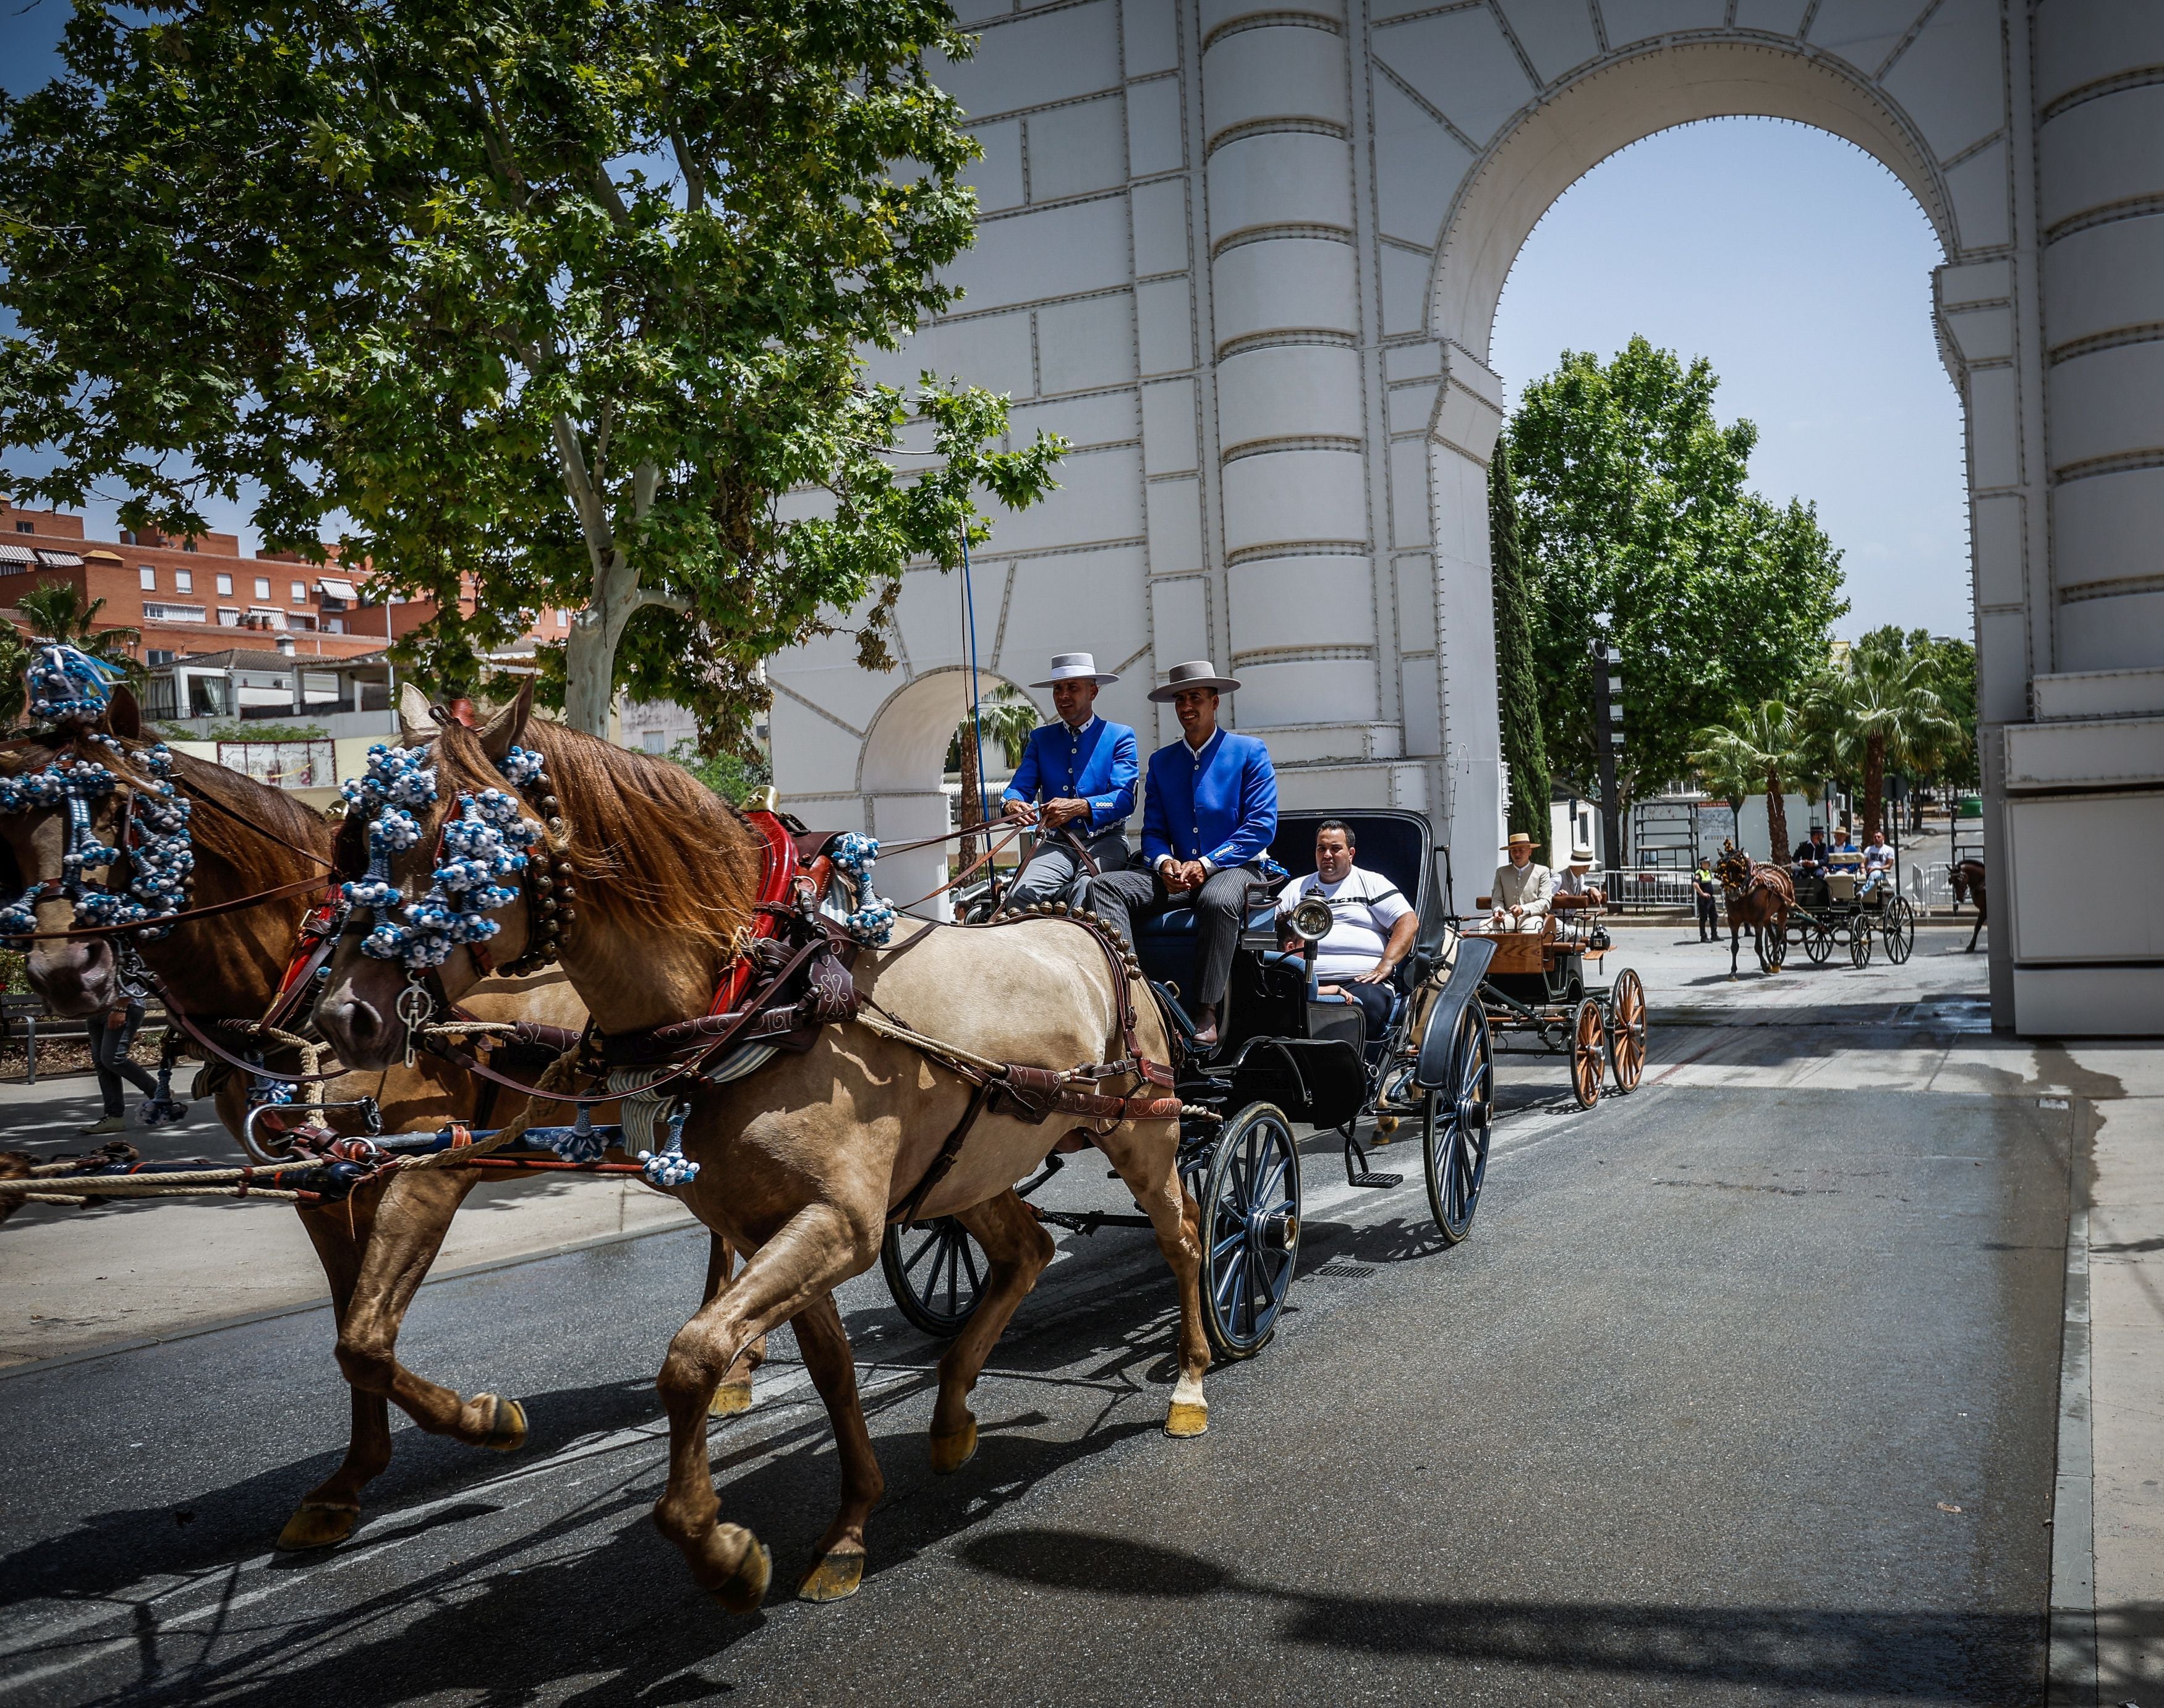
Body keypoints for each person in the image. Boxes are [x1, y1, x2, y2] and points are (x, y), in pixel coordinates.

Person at [1088, 660, 1277, 1048]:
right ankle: (1131, 994)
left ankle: (1206, 1007)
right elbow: (1154, 832)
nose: (1187, 706)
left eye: (1195, 698)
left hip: (1237, 869)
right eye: (1180, 699)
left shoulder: (1248, 752)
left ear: (1214, 702)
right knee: (1105, 887)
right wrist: (1164, 863)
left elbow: (1260, 827)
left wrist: (1207, 864)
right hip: (1179, 876)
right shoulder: (1162, 762)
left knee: (1216, 898)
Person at [999, 652, 1138, 909]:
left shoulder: (1119, 736)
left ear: (1093, 692)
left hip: (1106, 841)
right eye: (1058, 689)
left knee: (1088, 892)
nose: (1063, 696)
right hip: (1057, 842)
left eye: (1072, 688)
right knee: (1018, 896)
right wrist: (1013, 804)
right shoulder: (1042, 739)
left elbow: (1125, 798)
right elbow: (1019, 788)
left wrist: (1080, 807)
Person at [1277, 820, 1416, 1040]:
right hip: (1304, 982)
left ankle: (1358, 1068)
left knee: (1366, 1005)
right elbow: (1274, 928)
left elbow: (1407, 921)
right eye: (1321, 848)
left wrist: (1386, 964)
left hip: (1361, 983)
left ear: (1351, 853)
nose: (1327, 855)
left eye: (1335, 848)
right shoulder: (1297, 888)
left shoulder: (1371, 883)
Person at [82, 958, 161, 1136]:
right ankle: (114, 1117)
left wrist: (121, 1007)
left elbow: (133, 973)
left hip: (124, 1006)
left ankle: (158, 1093)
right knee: (103, 1063)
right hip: (98, 1009)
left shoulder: (123, 939)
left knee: (113, 1059)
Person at [1487, 831, 1553, 932]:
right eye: (1514, 851)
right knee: (1484, 926)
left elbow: (1545, 902)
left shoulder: (1542, 871)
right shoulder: (1501, 872)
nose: (1517, 854)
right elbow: (1497, 899)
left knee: (1533, 928)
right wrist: (1498, 910)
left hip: (1532, 916)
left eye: (1521, 850)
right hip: (1508, 917)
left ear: (1530, 852)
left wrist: (1523, 909)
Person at [1554, 842, 1605, 906]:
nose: (1589, 867)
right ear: (1583, 866)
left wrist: (1590, 889)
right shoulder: (1558, 879)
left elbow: (1581, 887)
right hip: (1556, 915)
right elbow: (1545, 897)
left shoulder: (1580, 878)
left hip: (1569, 915)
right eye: (1588, 864)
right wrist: (1556, 897)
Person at [1691, 857, 1719, 942]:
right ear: (1702, 864)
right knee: (1703, 918)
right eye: (1707, 863)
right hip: (1704, 900)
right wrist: (1702, 894)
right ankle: (1703, 936)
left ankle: (1714, 935)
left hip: (1710, 899)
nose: (1709, 865)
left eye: (1709, 863)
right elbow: (1695, 885)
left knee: (1714, 916)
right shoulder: (1699, 873)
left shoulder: (1708, 872)